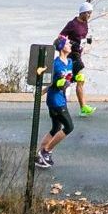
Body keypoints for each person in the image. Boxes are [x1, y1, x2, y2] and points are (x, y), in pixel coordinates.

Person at [36, 35, 76, 168]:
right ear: (61, 47)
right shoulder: (55, 64)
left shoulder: (69, 62)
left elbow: (67, 79)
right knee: (69, 127)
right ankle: (46, 151)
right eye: (67, 43)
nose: (70, 45)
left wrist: (71, 81)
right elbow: (49, 79)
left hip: (61, 98)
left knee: (56, 127)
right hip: (55, 101)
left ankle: (39, 154)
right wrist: (49, 88)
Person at [60, 2, 96, 116]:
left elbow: (82, 37)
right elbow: (60, 37)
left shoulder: (85, 23)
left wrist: (87, 40)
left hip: (78, 54)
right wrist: (72, 43)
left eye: (90, 13)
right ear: (82, 13)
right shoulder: (72, 24)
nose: (89, 15)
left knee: (75, 80)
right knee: (74, 80)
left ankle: (82, 107)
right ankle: (63, 105)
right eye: (88, 13)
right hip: (71, 55)